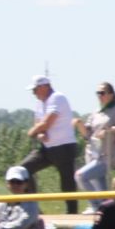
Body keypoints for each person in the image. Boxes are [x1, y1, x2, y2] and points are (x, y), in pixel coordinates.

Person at [22, 75, 81, 213]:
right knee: (23, 170)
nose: (34, 93)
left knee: (67, 183)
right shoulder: (39, 103)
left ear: (44, 86)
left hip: (64, 146)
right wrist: (39, 133)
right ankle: (33, 207)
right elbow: (39, 124)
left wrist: (33, 131)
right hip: (47, 148)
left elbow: (47, 122)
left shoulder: (57, 98)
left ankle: (72, 214)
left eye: (35, 89)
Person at [73, 81, 115, 195]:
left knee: (80, 176)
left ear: (111, 94)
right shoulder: (96, 112)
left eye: (102, 93)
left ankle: (96, 205)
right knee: (101, 188)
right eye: (98, 93)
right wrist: (79, 124)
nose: (99, 95)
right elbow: (87, 134)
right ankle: (103, 207)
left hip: (107, 156)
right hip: (93, 154)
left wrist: (109, 131)